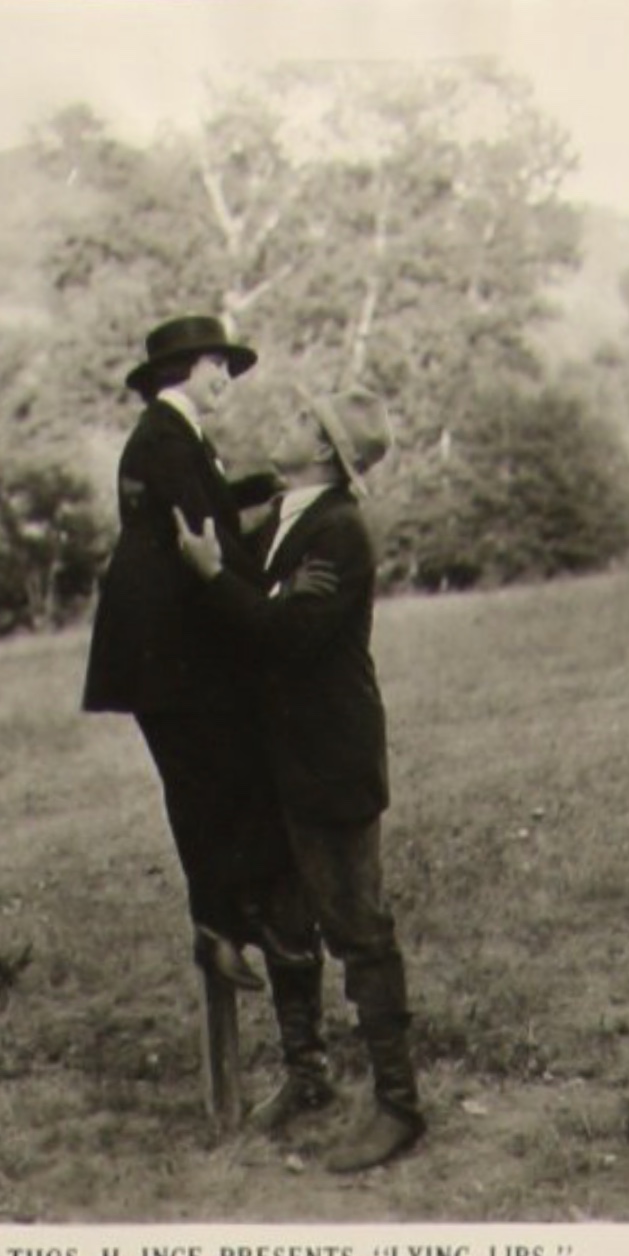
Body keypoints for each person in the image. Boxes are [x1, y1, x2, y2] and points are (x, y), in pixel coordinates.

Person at [172, 387, 426, 1174]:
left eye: (295, 419)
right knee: (286, 918)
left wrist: (214, 576)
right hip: (282, 759)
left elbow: (286, 635)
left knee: (357, 927)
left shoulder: (340, 530)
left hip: (330, 759)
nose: (279, 424)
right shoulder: (287, 512)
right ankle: (307, 1076)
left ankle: (398, 1106)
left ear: (322, 448)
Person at [82, 314, 308, 993]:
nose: (227, 383)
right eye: (220, 370)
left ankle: (235, 918)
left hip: (165, 648)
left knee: (214, 776)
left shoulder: (175, 437)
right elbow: (202, 538)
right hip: (165, 652)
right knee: (204, 780)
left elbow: (203, 502)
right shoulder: (167, 439)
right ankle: (221, 926)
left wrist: (267, 487)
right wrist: (264, 583)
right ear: (187, 370)